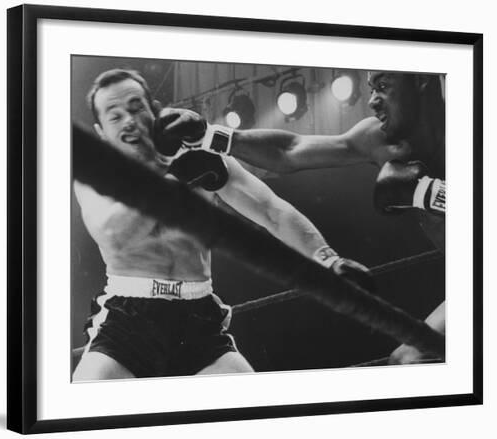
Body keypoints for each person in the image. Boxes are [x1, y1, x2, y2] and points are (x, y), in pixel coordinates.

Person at [72, 68, 372, 381]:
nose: (129, 121)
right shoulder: (96, 174)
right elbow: (116, 234)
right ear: (100, 131)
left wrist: (328, 259)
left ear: (156, 111)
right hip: (127, 321)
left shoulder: (197, 152)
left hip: (197, 317)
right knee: (81, 414)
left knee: (250, 415)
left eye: (136, 108)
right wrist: (178, 177)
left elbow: (272, 211)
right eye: (115, 115)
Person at [161, 71, 445, 365]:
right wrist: (208, 135)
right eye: (371, 88)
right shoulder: (377, 139)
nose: (373, 100)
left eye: (384, 86)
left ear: (421, 78)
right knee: (408, 360)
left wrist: (431, 193)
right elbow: (289, 151)